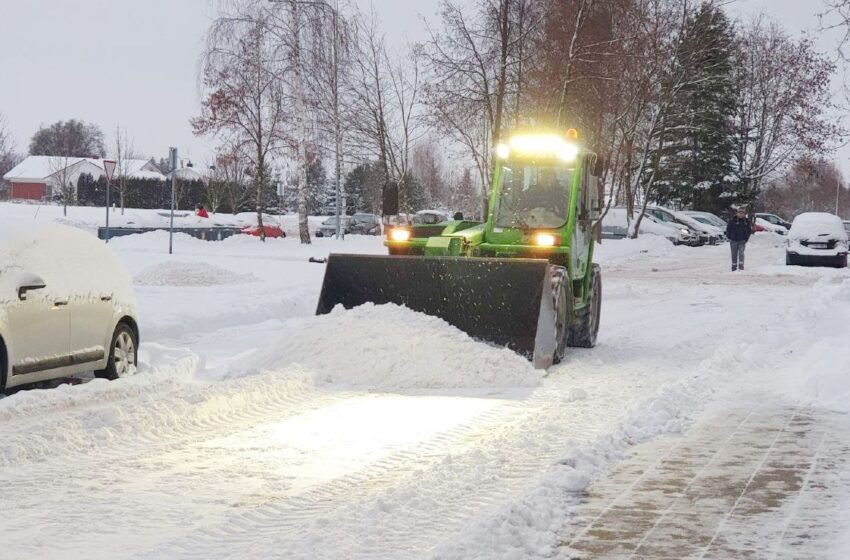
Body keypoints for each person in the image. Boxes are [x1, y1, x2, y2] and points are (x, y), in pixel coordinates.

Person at [725, 207, 752, 271]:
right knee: (734, 254)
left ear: (744, 214)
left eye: (742, 213)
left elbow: (749, 231)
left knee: (741, 253)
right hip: (733, 240)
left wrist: (746, 238)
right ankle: (734, 266)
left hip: (742, 240)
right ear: (737, 213)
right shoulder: (732, 221)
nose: (741, 214)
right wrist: (729, 236)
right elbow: (728, 229)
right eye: (740, 213)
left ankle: (741, 266)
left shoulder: (746, 222)